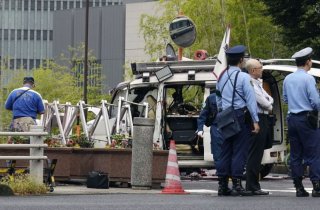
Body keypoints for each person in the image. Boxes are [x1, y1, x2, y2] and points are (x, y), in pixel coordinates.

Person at [215, 45, 260, 196]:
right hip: (240, 116)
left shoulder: (221, 76)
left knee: (225, 150)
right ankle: (237, 184)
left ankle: (222, 185)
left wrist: (222, 112)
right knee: (240, 151)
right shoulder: (244, 77)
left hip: (225, 116)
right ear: (241, 60)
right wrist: (255, 120)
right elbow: (250, 100)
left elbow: (218, 98)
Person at [283, 47, 320, 197]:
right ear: (308, 62)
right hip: (307, 119)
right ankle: (317, 186)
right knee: (313, 153)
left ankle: (298, 186)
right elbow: (316, 102)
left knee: (296, 154)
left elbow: (285, 98)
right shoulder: (308, 78)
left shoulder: (287, 79)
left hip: (292, 118)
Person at [245, 59, 274, 195]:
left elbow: (270, 99)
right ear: (252, 70)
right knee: (255, 153)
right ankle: (252, 185)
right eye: (259, 67)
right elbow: (264, 102)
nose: (262, 69)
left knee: (258, 152)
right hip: (257, 117)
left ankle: (253, 184)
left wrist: (268, 103)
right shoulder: (251, 83)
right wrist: (268, 104)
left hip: (262, 117)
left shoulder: (258, 83)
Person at [196, 92, 223, 163]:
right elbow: (203, 114)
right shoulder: (211, 98)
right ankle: (221, 172)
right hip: (216, 128)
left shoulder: (234, 95)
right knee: (218, 155)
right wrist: (200, 129)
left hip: (231, 128)